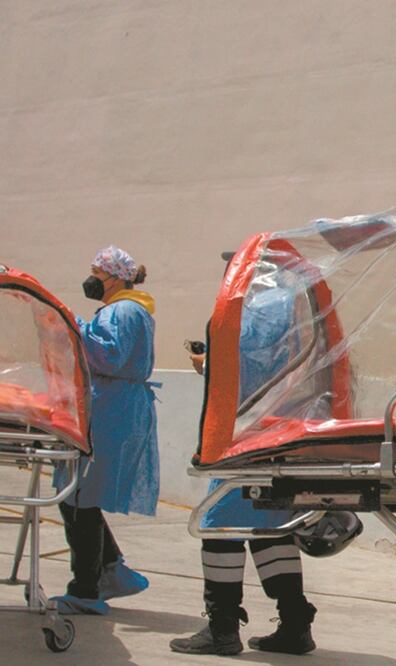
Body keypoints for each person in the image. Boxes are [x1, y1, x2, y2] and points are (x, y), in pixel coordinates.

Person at [170, 276, 317, 656]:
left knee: (219, 525)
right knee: (270, 526)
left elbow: (246, 373)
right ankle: (295, 624)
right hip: (283, 432)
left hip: (248, 436)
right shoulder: (295, 304)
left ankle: (221, 629)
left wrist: (207, 364)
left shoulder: (259, 310)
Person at [51, 245, 159, 615]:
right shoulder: (127, 309)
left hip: (110, 409)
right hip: (111, 406)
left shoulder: (124, 310)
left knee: (79, 496)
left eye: (98, 272)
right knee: (82, 495)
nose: (92, 278)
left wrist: (74, 324)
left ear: (116, 277)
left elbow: (107, 356)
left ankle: (85, 589)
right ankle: (112, 571)